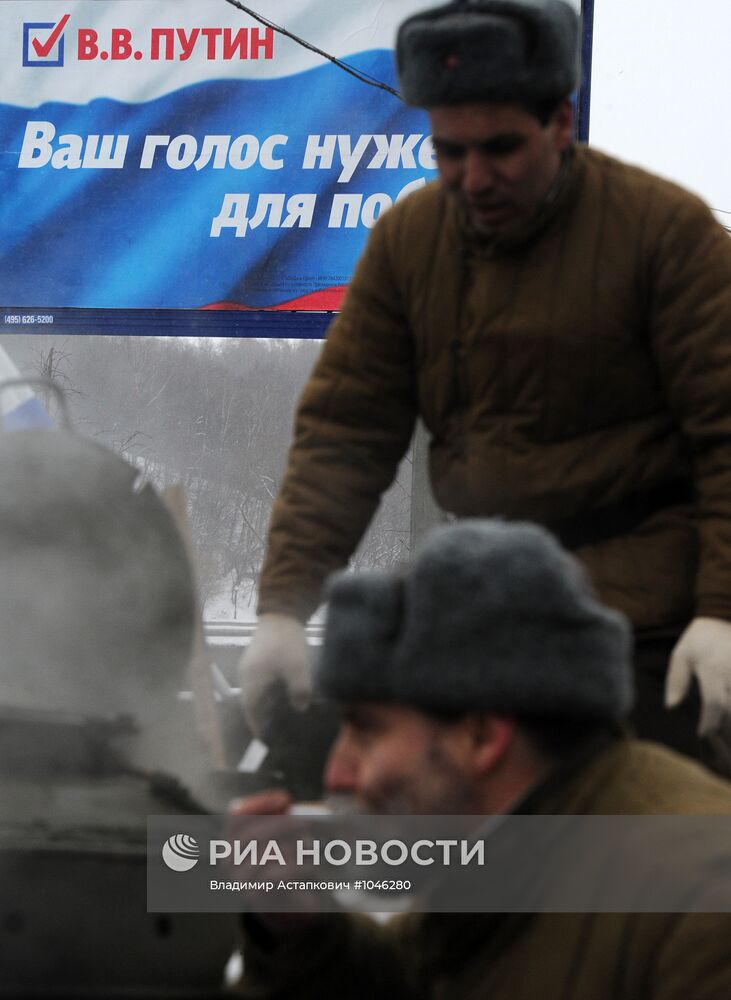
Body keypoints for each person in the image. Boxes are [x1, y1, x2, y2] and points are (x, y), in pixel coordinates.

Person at [240, 0, 731, 765]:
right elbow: (344, 435)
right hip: (482, 606)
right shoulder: (409, 243)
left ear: (560, 124)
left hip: (646, 623)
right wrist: (280, 609)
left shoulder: (664, 235)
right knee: (336, 783)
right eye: (448, 152)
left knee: (638, 844)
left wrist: (720, 615)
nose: (473, 179)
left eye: (499, 148)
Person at [233, 519, 731, 1000]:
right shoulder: (508, 852)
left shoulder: (700, 904)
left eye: (366, 731)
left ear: (482, 736)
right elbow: (419, 980)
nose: (336, 772)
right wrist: (300, 929)